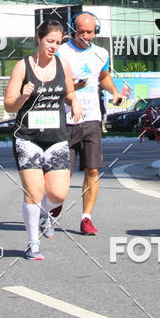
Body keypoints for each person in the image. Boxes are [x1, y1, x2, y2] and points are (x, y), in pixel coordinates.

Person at [4, 19, 82, 260]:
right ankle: (32, 243)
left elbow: (69, 91)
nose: (54, 46)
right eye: (50, 41)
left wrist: (75, 101)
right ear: (38, 39)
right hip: (28, 138)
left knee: (58, 194)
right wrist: (22, 96)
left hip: (56, 137)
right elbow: (8, 105)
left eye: (58, 42)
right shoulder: (22, 67)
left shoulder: (63, 66)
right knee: (34, 192)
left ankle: (44, 214)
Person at [56, 12, 122, 236]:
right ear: (73, 29)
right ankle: (54, 204)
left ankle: (86, 218)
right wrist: (70, 85)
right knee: (63, 174)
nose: (85, 36)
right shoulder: (61, 51)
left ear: (96, 31)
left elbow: (103, 77)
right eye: (81, 31)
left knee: (92, 169)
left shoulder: (101, 53)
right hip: (64, 119)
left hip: (91, 118)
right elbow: (51, 79)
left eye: (90, 32)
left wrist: (114, 92)